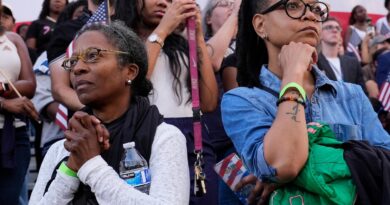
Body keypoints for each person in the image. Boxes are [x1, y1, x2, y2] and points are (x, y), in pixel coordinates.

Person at [221, 0, 390, 203]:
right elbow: (283, 164)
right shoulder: (242, 100)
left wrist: (299, 175)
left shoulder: (352, 95)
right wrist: (293, 74)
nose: (310, 15)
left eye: (316, 8)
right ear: (260, 25)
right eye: (292, 5)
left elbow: (385, 165)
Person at [30, 21, 190, 205]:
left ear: (130, 71)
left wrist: (91, 165)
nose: (77, 68)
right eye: (73, 61)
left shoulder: (164, 138)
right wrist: (71, 168)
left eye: (92, 56)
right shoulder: (63, 148)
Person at [114, 0, 218, 204]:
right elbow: (135, 84)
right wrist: (162, 31)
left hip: (192, 139)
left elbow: (209, 102)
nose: (164, 2)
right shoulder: (118, 43)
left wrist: (197, 36)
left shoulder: (182, 43)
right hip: (144, 139)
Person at [0, 0, 40, 204]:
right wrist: (5, 104)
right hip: (10, 113)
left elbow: (30, 85)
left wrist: (4, 88)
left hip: (15, 133)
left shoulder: (13, 39)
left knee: (8, 199)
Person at [317, 17, 365, 89]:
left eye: (337, 28)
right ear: (320, 34)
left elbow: (362, 93)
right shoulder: (314, 63)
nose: (334, 30)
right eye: (329, 27)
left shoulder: (353, 62)